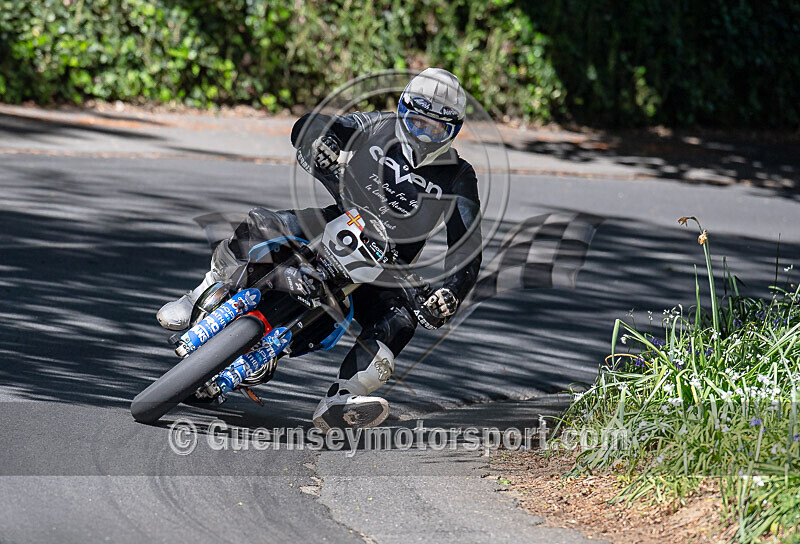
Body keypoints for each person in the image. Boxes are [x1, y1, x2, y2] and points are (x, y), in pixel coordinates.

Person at [156, 68, 482, 431]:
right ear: (402, 110)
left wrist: (450, 293)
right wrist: (321, 139)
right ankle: (200, 292)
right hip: (339, 217)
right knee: (263, 221)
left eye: (435, 129)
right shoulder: (377, 124)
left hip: (388, 265)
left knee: (402, 321)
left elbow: (468, 246)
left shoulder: (458, 176)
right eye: (416, 122)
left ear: (453, 130)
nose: (423, 134)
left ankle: (343, 396)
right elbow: (316, 124)